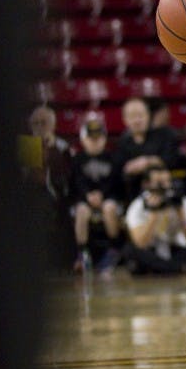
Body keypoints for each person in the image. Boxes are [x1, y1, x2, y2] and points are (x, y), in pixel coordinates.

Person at [123, 163, 186, 274]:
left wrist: (181, 212)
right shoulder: (137, 206)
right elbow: (140, 243)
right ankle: (181, 268)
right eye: (159, 183)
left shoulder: (182, 201)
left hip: (176, 249)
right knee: (130, 252)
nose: (165, 187)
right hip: (151, 251)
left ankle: (161, 269)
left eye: (168, 182)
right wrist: (153, 212)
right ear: (146, 185)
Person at [68, 115, 123, 272]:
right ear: (83, 139)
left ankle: (114, 249)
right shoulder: (77, 159)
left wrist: (102, 195)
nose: (95, 142)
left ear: (104, 139)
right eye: (91, 139)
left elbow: (114, 181)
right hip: (85, 198)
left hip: (108, 197)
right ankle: (82, 252)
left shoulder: (113, 158)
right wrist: (88, 195)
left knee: (109, 208)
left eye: (98, 138)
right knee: (82, 211)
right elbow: (77, 181)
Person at [113, 97, 180, 203]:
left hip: (164, 189)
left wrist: (148, 162)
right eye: (132, 116)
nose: (137, 120)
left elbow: (172, 160)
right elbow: (119, 168)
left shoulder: (165, 135)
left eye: (140, 115)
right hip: (133, 192)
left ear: (149, 116)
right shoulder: (122, 143)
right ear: (124, 119)